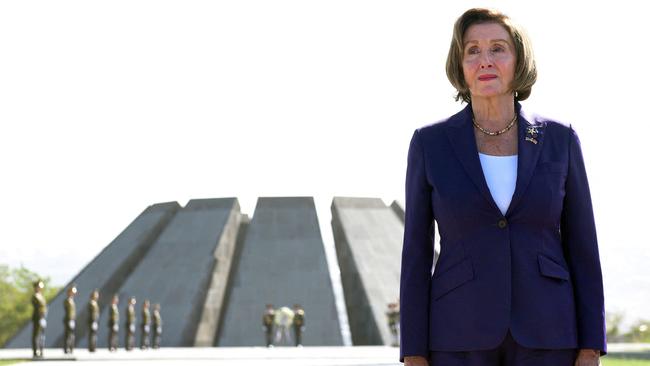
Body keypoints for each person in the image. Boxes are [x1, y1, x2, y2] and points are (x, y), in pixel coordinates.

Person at [399, 8, 605, 366]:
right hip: (458, 334)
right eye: (472, 50)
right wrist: (414, 352)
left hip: (549, 333)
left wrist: (590, 345)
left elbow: (583, 246)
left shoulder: (561, 140)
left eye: (498, 48)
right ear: (460, 65)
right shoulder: (429, 144)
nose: (485, 60)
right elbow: (415, 253)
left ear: (519, 60)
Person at [31, 280, 47, 358]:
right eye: (39, 287)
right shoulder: (35, 296)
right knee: (36, 335)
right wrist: (41, 316)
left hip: (42, 317)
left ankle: (41, 350)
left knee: (42, 335)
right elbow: (37, 308)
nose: (40, 288)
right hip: (37, 318)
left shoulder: (41, 296)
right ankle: (35, 351)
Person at [63, 284, 77, 354]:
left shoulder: (71, 300)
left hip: (72, 320)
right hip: (68, 320)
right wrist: (70, 320)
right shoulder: (67, 300)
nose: (73, 293)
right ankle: (66, 348)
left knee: (71, 335)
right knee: (67, 335)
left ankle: (71, 348)